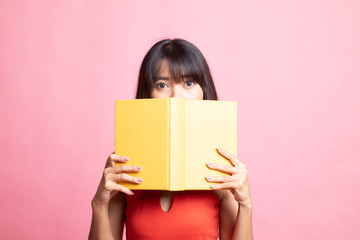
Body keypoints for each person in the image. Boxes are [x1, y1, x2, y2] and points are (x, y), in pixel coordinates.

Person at [89, 39, 253, 240]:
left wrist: (246, 205)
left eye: (189, 83)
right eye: (162, 84)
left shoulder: (220, 167)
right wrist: (99, 205)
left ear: (203, 91)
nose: (176, 95)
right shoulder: (124, 162)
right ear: (147, 94)